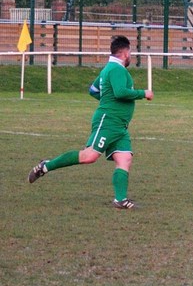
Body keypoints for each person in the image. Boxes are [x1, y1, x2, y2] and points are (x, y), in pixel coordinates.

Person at [27, 35, 154, 209]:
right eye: (130, 52)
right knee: (89, 156)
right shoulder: (116, 69)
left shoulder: (108, 69)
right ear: (125, 53)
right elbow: (120, 92)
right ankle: (45, 166)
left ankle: (120, 200)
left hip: (119, 126)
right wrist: (143, 93)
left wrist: (107, 99)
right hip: (108, 122)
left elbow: (93, 90)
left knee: (124, 158)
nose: (130, 56)